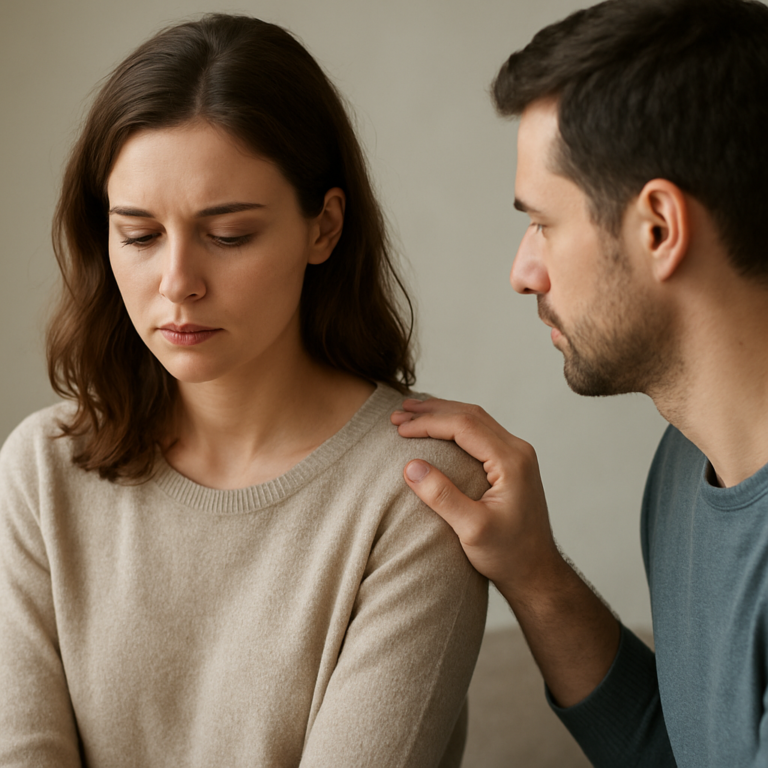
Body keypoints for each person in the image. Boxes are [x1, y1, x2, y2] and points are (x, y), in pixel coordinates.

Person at [0, 14, 488, 768]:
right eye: (138, 234)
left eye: (227, 235)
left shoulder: (418, 493)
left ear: (323, 228)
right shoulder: (41, 471)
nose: (178, 284)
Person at [390, 0, 768, 765]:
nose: (522, 272)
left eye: (544, 223)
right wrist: (532, 569)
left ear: (658, 227)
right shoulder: (680, 475)